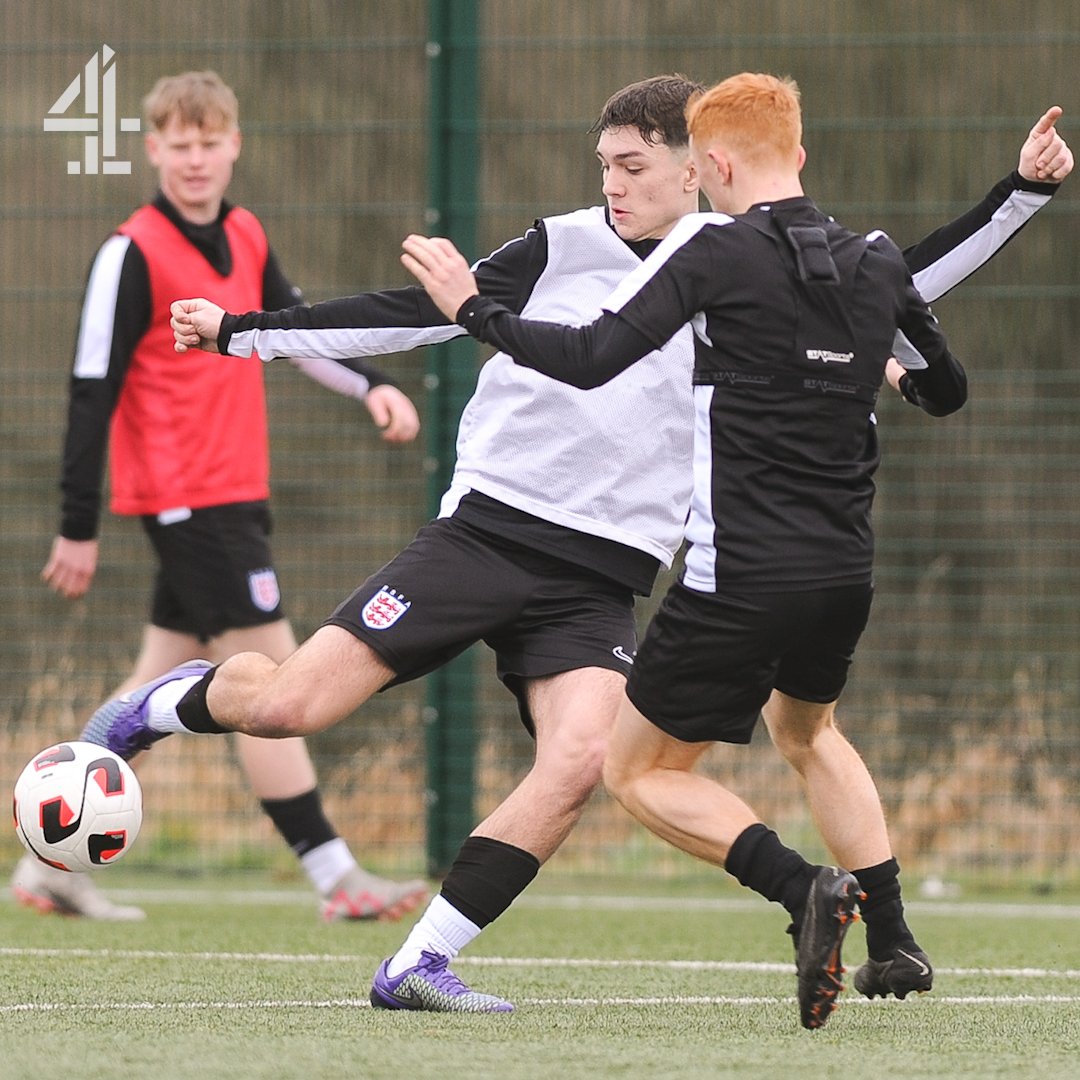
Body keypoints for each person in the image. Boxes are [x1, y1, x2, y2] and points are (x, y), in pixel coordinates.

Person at [95, 75, 1066, 1016]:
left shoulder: (756, 267)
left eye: (634, 166)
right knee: (289, 707)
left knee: (584, 761)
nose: (612, 184)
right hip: (486, 535)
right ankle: (161, 709)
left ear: (702, 170)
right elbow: (414, 316)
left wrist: (1019, 195)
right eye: (604, 164)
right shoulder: (561, 248)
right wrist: (243, 331)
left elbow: (902, 281)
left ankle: (420, 963)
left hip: (603, 576)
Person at [395, 71, 1036, 1027]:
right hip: (843, 574)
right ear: (803, 154)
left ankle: (805, 886)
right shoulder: (869, 261)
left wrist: (470, 312)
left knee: (633, 771)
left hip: (737, 577)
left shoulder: (713, 253)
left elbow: (589, 358)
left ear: (718, 164)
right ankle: (895, 936)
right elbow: (946, 389)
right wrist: (895, 369)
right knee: (809, 732)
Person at [14, 70, 427, 924]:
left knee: (148, 693)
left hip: (237, 493)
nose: (196, 159)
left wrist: (368, 387)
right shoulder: (130, 250)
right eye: (180, 144)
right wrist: (76, 526)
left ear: (234, 146)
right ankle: (336, 877)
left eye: (211, 143)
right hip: (185, 500)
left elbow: (292, 333)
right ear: (153, 148)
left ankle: (47, 865)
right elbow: (91, 388)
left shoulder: (245, 231)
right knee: (270, 684)